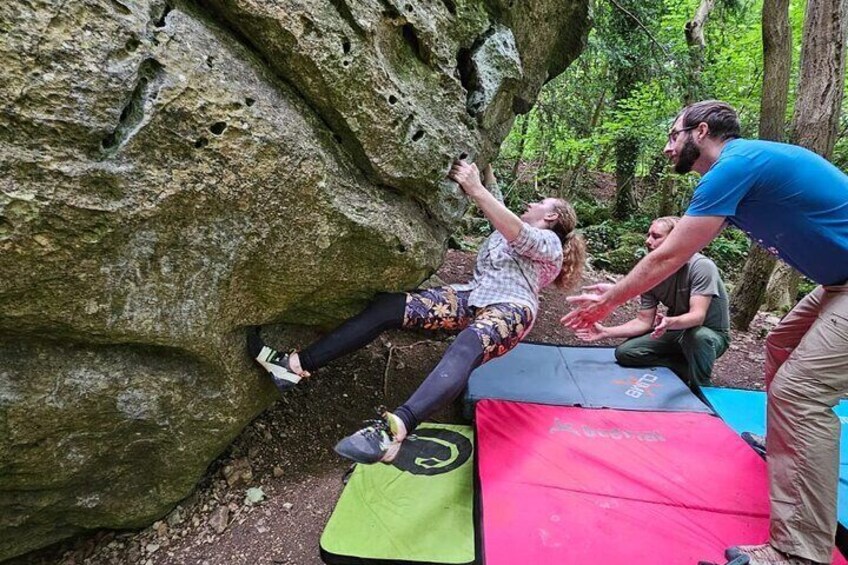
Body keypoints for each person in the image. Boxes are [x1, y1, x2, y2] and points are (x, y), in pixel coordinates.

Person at [562, 100, 848, 565]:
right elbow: (671, 253)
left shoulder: (736, 164)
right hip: (838, 283)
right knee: (781, 343)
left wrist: (608, 300)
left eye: (673, 135)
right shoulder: (739, 174)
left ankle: (799, 553)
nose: (667, 146)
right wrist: (620, 289)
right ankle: (783, 442)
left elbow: (670, 256)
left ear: (700, 131)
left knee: (801, 391)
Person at [249, 160, 586, 465]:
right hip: (469, 299)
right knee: (388, 307)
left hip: (512, 310)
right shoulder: (505, 226)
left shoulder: (550, 244)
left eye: (540, 202)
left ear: (552, 216)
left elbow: (517, 231)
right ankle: (293, 365)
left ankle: (394, 431)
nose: (532, 203)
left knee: (468, 344)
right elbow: (498, 205)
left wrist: (475, 188)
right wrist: (482, 167)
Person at [574, 216, 730, 391]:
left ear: (675, 239)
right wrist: (605, 332)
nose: (648, 241)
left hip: (709, 336)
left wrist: (671, 322)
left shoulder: (701, 266)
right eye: (648, 235)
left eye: (655, 236)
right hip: (676, 331)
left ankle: (701, 388)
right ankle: (684, 369)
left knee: (698, 336)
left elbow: (698, 316)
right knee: (625, 353)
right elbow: (643, 321)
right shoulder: (650, 272)